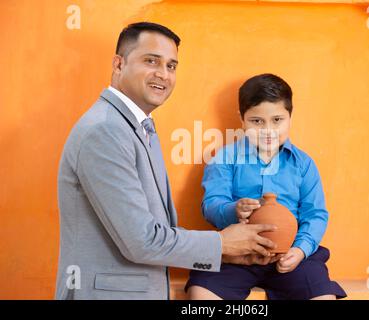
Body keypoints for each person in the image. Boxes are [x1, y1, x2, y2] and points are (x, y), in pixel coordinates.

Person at [55, 22, 277, 300]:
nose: (163, 74)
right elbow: (142, 241)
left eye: (171, 66)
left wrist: (229, 254)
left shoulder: (138, 127)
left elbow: (159, 232)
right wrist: (222, 243)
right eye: (151, 61)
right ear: (118, 64)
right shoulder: (105, 131)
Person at [186, 74, 347, 300]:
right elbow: (211, 205)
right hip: (237, 255)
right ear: (241, 119)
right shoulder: (224, 159)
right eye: (257, 121)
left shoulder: (303, 164)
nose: (268, 130)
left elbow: (315, 214)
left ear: (290, 117)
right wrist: (234, 210)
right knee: (201, 293)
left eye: (277, 120)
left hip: (290, 256)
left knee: (322, 296)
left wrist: (300, 250)